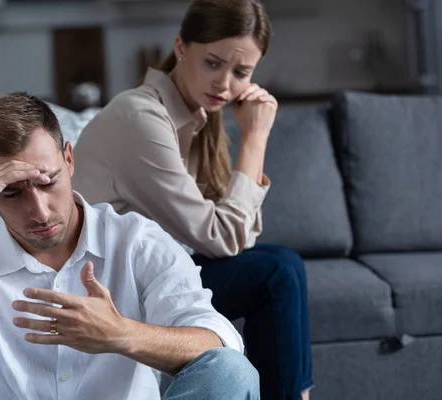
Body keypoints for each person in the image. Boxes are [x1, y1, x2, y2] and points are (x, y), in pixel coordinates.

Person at [0, 93, 259, 400]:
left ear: (69, 159)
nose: (39, 210)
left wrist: (122, 334)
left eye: (47, 182)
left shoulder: (136, 240)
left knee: (231, 372)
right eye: (11, 192)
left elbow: (217, 342)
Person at [72, 1, 313, 399]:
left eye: (241, 72)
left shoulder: (194, 116)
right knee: (278, 271)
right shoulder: (141, 119)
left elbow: (235, 235)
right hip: (106, 288)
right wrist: (255, 138)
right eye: (212, 63)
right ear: (181, 47)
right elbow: (224, 238)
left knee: (279, 267)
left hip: (143, 273)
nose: (224, 84)